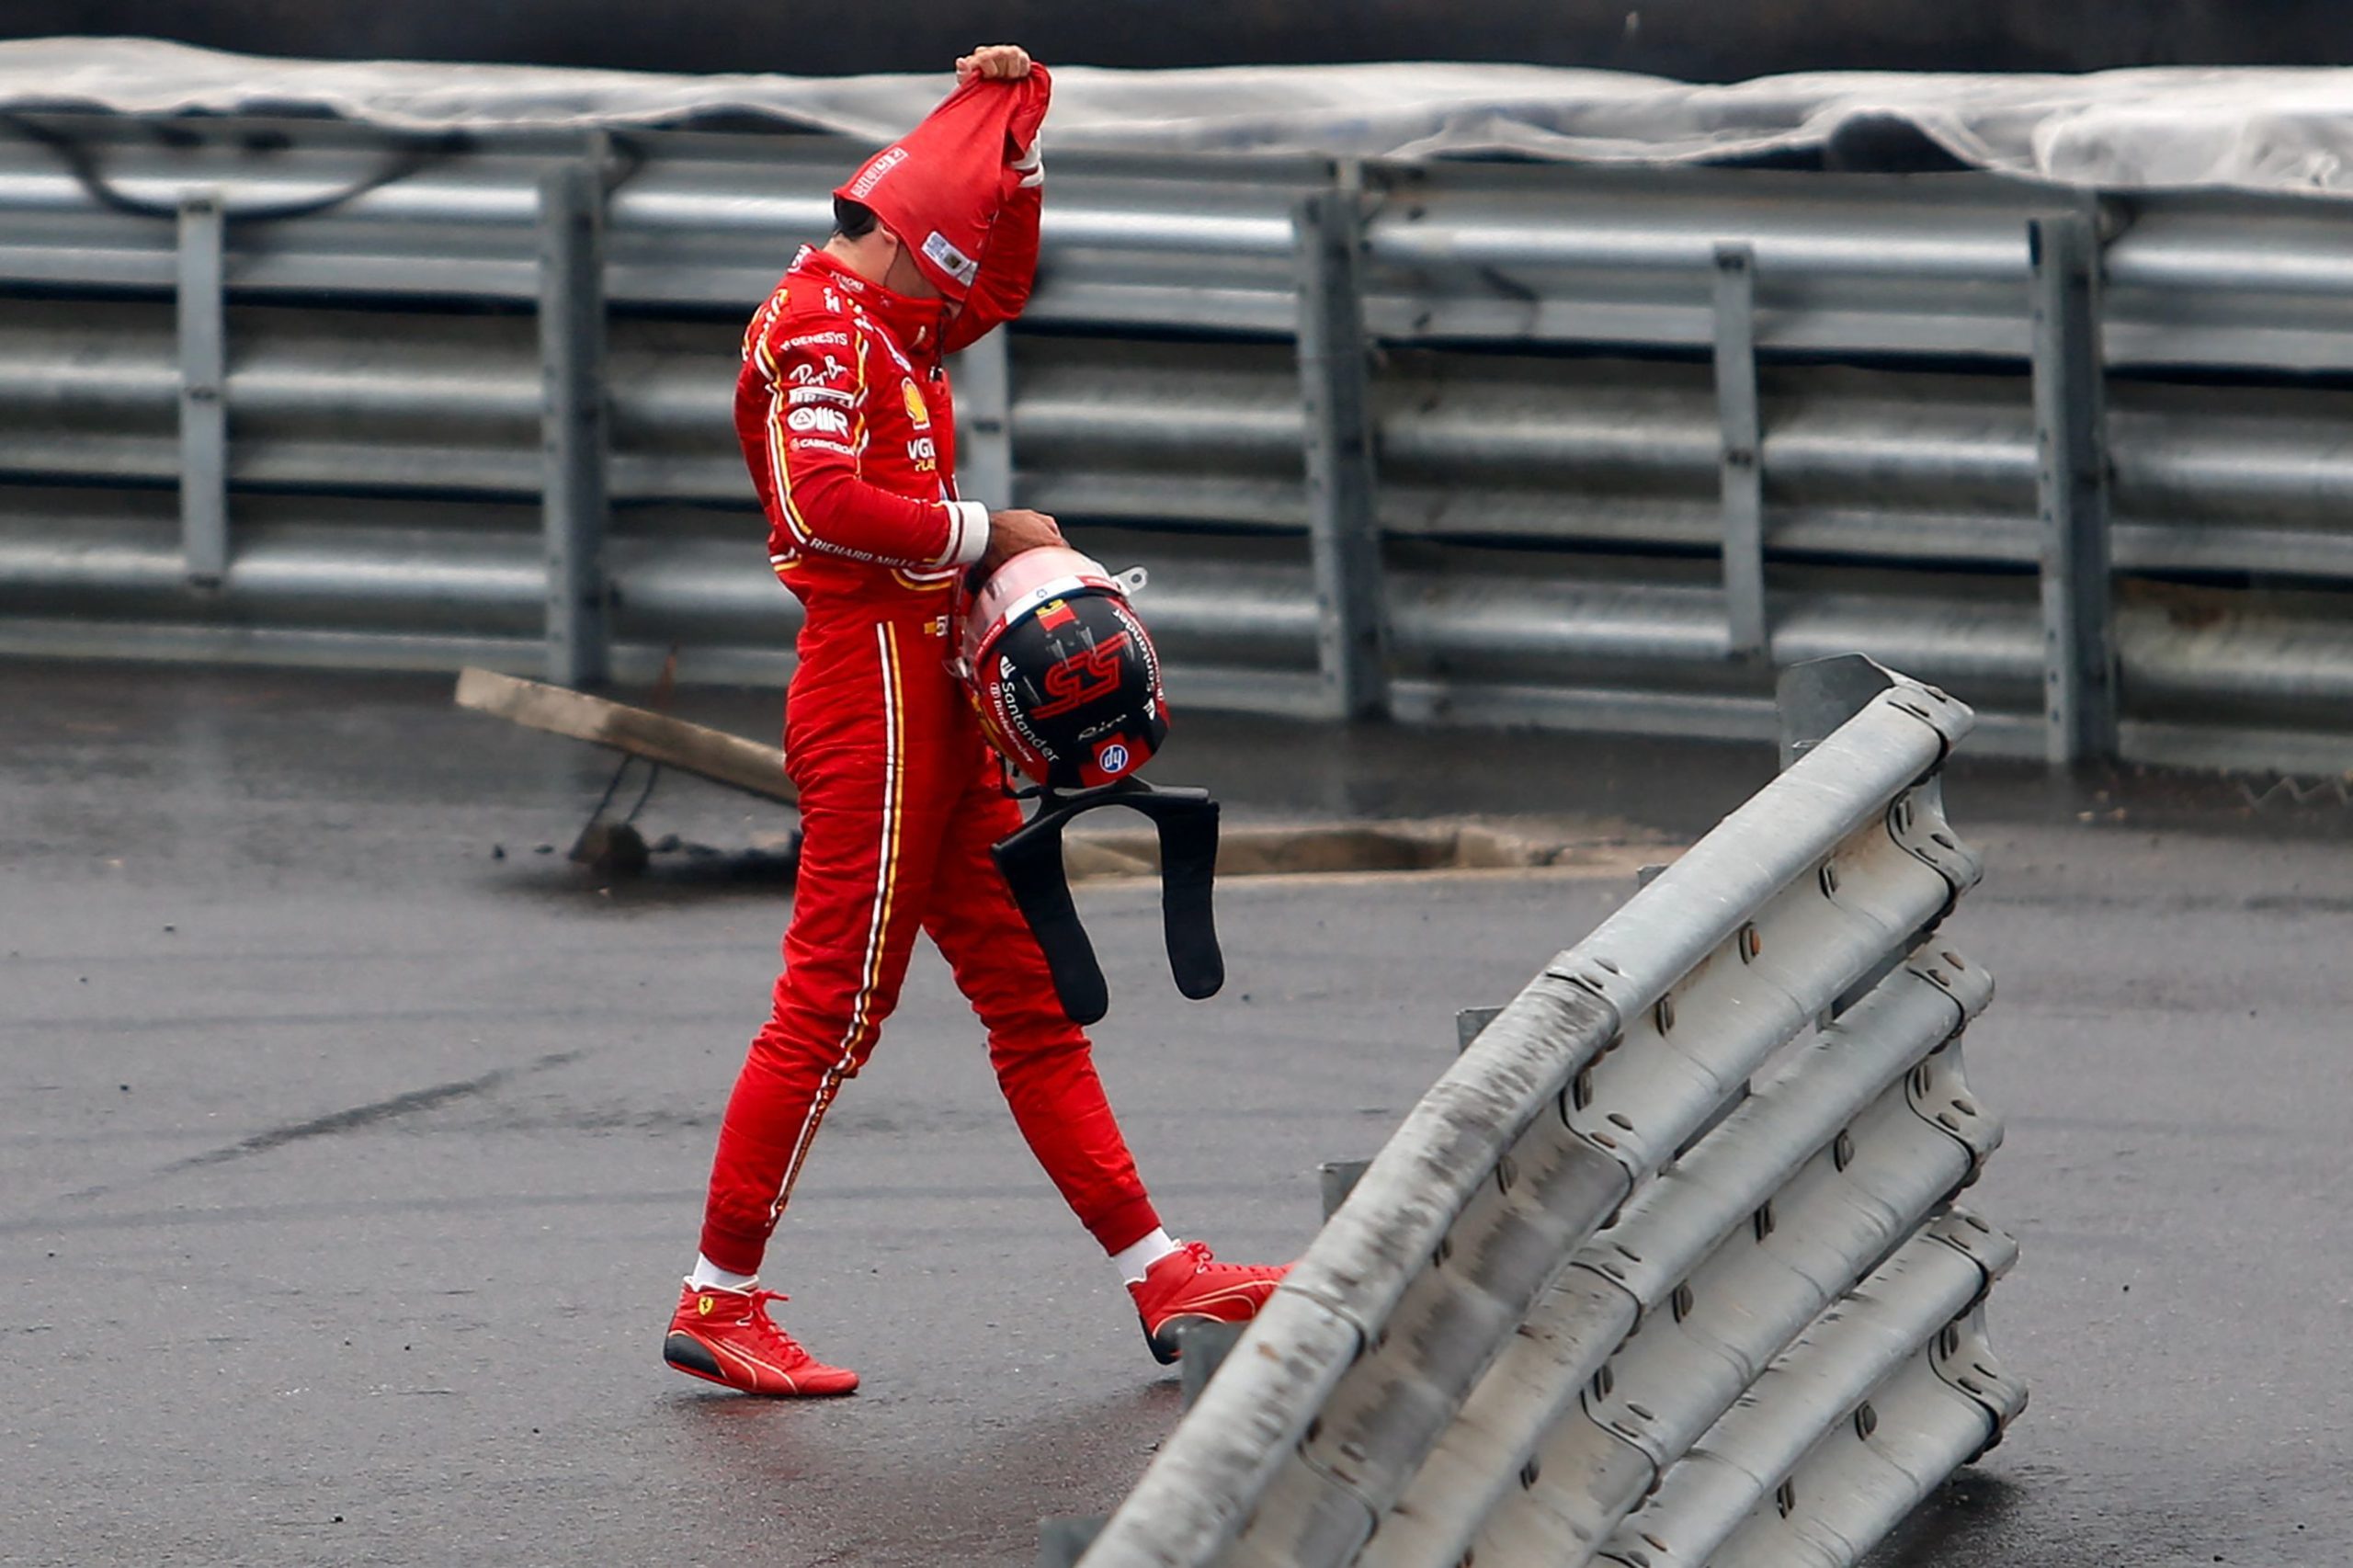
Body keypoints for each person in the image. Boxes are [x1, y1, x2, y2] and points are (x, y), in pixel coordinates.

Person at [663, 44, 1289, 1397]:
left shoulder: (888, 308)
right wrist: (985, 529)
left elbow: (1000, 279)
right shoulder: (820, 326)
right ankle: (719, 1295)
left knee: (1028, 994)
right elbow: (826, 502)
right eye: (959, 243)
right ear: (906, 238)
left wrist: (1017, 148)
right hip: (870, 683)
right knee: (832, 1002)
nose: (974, 285)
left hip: (923, 679)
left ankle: (1158, 1270)